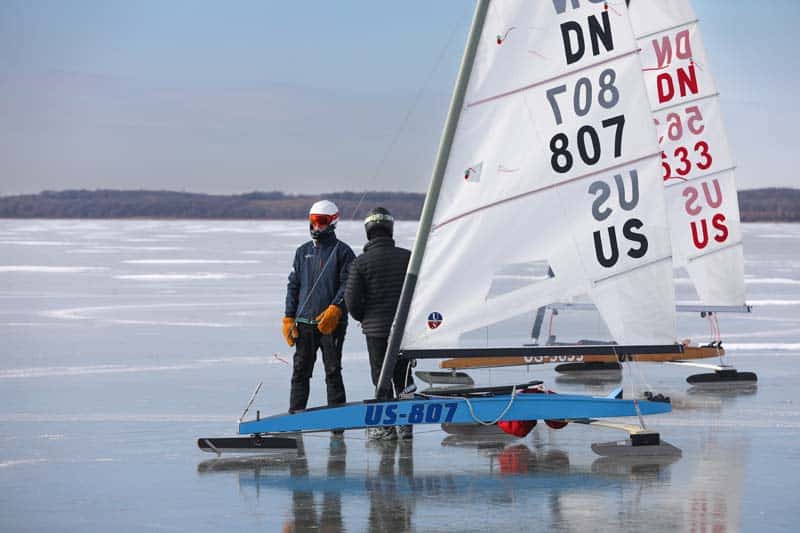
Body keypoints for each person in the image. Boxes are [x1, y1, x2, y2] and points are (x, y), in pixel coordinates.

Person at [283, 200, 356, 423]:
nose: (316, 226)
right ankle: (295, 418)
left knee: (332, 371)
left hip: (331, 325)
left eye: (321, 221)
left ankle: (337, 421)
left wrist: (336, 308)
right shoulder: (302, 251)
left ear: (332, 222)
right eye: (313, 221)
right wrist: (288, 317)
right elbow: (293, 285)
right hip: (304, 323)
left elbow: (348, 284)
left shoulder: (343, 252)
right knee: (300, 371)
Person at [345, 207, 412, 440]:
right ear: (390, 229)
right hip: (404, 330)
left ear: (368, 231)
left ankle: (386, 427)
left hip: (375, 331)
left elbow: (351, 300)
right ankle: (406, 424)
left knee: (381, 377)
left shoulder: (360, 263)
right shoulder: (408, 258)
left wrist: (364, 318)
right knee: (404, 377)